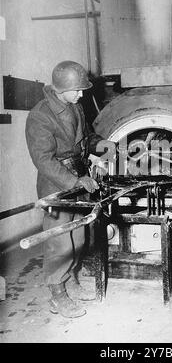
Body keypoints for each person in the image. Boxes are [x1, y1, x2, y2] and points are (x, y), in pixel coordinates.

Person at [25, 61, 114, 318]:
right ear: (60, 89)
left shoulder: (75, 107)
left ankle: (70, 279)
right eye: (77, 90)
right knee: (59, 241)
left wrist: (102, 144)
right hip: (57, 184)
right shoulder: (40, 115)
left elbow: (86, 138)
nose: (82, 94)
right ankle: (57, 293)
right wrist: (75, 182)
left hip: (78, 179)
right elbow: (43, 160)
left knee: (79, 237)